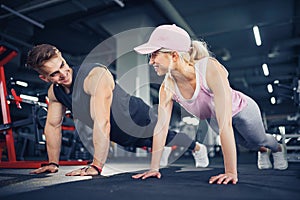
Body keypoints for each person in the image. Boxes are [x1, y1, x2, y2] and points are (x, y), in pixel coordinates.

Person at [132, 24, 288, 184]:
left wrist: (230, 172)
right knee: (245, 143)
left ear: (173, 56)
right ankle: (261, 151)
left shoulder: (209, 68)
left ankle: (277, 148)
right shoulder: (167, 87)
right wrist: (154, 168)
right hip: (213, 117)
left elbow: (225, 124)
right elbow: (161, 128)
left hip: (242, 109)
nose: (150, 62)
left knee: (258, 140)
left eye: (154, 55)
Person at [25, 44, 209, 176]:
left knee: (166, 136)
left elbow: (102, 121)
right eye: (54, 74)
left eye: (63, 65)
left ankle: (198, 148)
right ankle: (161, 148)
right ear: (44, 78)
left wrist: (96, 166)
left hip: (137, 116)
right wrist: (52, 163)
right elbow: (53, 126)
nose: (63, 74)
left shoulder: (94, 76)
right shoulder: (55, 92)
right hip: (118, 133)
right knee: (148, 143)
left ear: (64, 59)